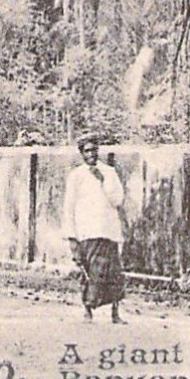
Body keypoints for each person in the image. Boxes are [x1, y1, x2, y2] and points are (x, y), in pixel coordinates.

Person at [63, 133, 126, 323]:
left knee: (113, 273)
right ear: (82, 153)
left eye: (94, 150)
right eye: (87, 150)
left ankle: (115, 313)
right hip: (87, 232)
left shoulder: (109, 172)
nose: (91, 154)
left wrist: (103, 180)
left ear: (98, 151)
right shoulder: (76, 176)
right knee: (90, 274)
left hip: (108, 231)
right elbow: (69, 207)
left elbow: (118, 199)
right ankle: (88, 311)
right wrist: (71, 237)